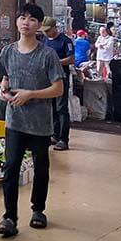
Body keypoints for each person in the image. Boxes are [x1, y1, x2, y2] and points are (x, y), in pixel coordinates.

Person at [0, 4, 65, 239]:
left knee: (41, 168)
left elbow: (58, 88)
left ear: (39, 25)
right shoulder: (8, 52)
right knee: (11, 168)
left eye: (32, 19)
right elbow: (5, 76)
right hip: (14, 122)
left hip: (40, 124)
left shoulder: (47, 55)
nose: (26, 22)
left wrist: (30, 94)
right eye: (22, 18)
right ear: (17, 22)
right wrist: (4, 90)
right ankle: (9, 217)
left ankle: (38, 210)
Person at [41, 17, 74, 151]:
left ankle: (63, 139)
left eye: (48, 30)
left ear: (55, 28)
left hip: (61, 78)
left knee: (61, 108)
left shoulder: (65, 41)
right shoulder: (44, 42)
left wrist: (55, 62)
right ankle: (54, 134)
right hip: (47, 79)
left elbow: (71, 59)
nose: (46, 33)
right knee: (52, 108)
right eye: (44, 31)